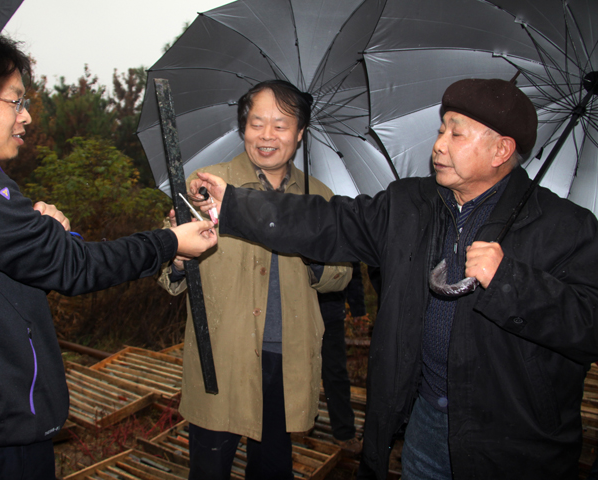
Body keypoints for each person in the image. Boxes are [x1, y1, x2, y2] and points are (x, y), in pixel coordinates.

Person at [190, 78, 598, 479]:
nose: (438, 145)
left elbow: (589, 327)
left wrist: (510, 281)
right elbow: (329, 221)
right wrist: (237, 204)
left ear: (501, 150)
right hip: (424, 424)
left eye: (456, 134)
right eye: (441, 130)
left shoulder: (567, 228)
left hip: (514, 442)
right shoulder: (410, 205)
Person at [0, 35, 216, 480]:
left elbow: (20, 264)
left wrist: (52, 236)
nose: (26, 116)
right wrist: (169, 242)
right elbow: (76, 268)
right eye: (15, 101)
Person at [158, 80, 351, 479]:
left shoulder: (318, 197)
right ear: (242, 127)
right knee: (209, 469)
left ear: (300, 133)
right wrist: (176, 255)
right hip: (222, 357)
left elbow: (341, 275)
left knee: (273, 470)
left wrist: (314, 250)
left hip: (288, 359)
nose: (266, 136)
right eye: (256, 123)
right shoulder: (206, 186)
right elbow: (168, 272)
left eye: (280, 125)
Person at [318, 263, 365, 454]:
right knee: (300, 370)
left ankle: (344, 433)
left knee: (335, 372)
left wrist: (358, 308)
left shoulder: (341, 240)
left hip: (330, 313)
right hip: (299, 311)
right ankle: (303, 421)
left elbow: (354, 268)